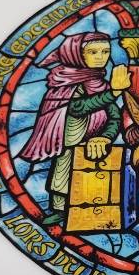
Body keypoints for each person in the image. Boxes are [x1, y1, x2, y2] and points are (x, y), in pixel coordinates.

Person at [20, 32, 130, 225]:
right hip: (70, 142)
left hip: (95, 144)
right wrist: (113, 92)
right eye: (93, 52)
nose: (101, 57)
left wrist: (105, 137)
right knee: (62, 177)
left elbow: (114, 117)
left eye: (105, 52)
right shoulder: (64, 81)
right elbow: (77, 107)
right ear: (76, 54)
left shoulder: (100, 84)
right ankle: (60, 210)